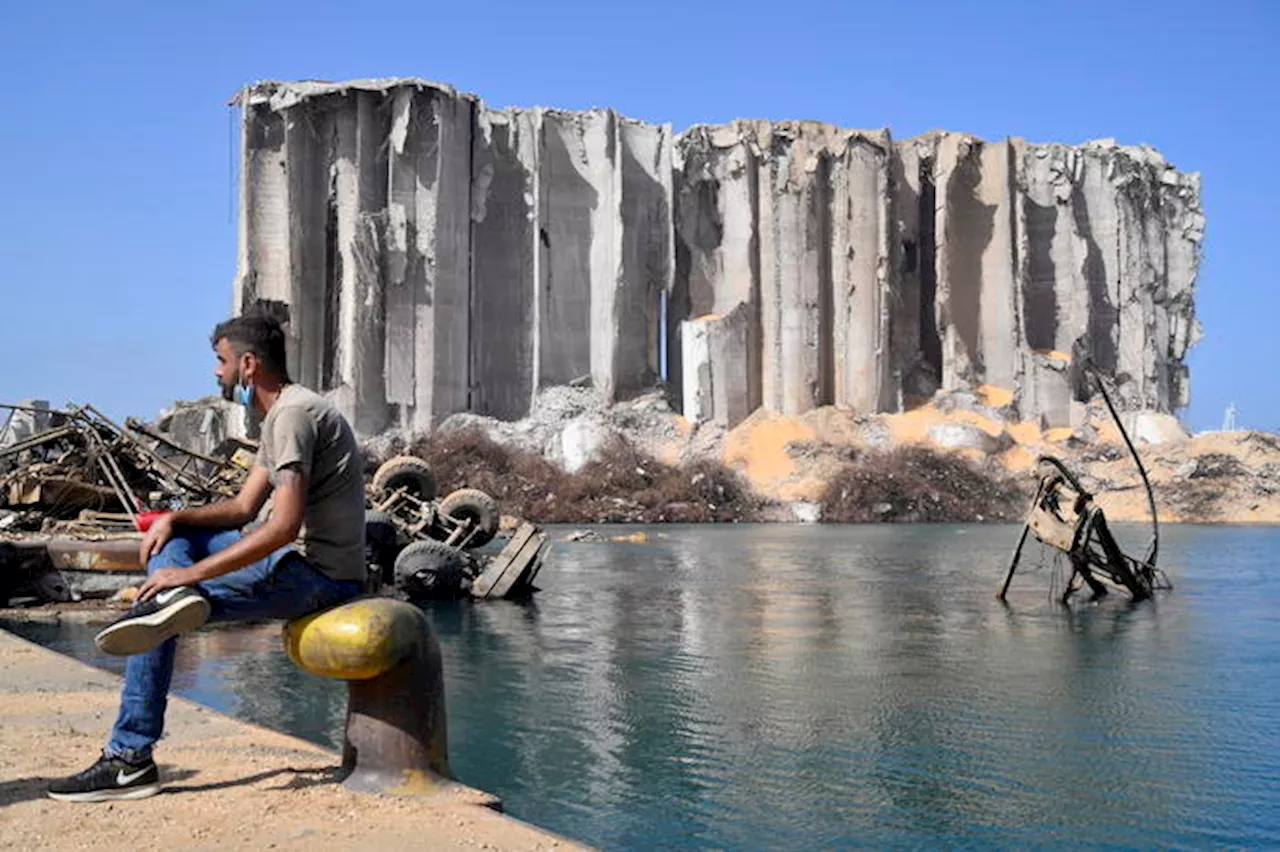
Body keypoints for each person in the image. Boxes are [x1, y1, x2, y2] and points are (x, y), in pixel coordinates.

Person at [47, 312, 368, 802]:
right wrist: (174, 520)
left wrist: (190, 573)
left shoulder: (295, 416)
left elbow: (282, 528)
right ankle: (168, 610)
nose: (216, 373)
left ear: (248, 364)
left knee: (160, 604)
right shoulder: (281, 414)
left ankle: (129, 758)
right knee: (169, 553)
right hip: (295, 569)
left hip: (320, 579)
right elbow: (243, 508)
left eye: (220, 362)